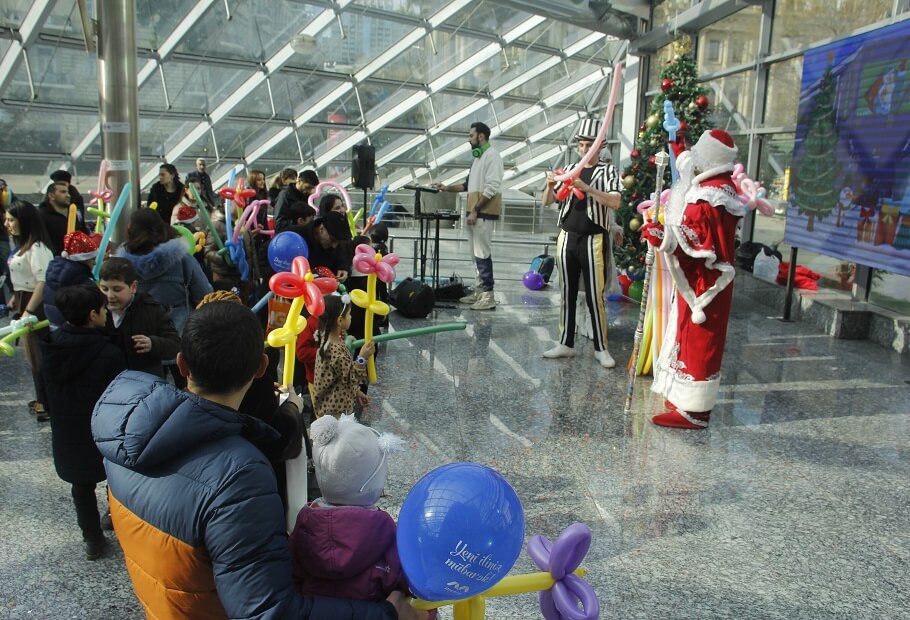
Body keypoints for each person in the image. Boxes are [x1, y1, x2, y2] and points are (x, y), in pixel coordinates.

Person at [92, 300, 422, 619]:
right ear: (262, 367)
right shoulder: (238, 477)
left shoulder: (124, 432)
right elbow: (268, 610)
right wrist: (387, 613)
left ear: (181, 364)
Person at [640, 129, 745, 429]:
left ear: (709, 157)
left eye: (699, 151)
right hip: (705, 280)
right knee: (688, 335)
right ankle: (684, 399)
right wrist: (679, 150)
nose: (694, 156)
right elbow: (690, 166)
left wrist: (664, 236)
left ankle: (695, 412)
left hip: (706, 282)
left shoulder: (710, 196)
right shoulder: (718, 182)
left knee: (699, 339)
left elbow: (699, 238)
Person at [40, 284, 125, 560]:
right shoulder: (108, 352)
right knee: (115, 479)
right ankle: (116, 521)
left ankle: (92, 539)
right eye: (103, 309)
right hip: (103, 427)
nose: (106, 313)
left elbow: (43, 387)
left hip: (67, 430)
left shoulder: (51, 346)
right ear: (92, 314)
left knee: (81, 486)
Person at [289, 414, 409, 601]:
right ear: (374, 482)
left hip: (313, 610)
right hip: (371, 611)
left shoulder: (304, 522)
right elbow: (400, 581)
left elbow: (292, 573)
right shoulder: (385, 530)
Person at [541, 118, 622, 369]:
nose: (585, 149)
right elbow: (548, 201)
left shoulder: (608, 171)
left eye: (590, 145)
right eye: (582, 145)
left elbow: (615, 202)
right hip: (567, 236)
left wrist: (588, 188)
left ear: (600, 146)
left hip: (594, 238)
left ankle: (601, 348)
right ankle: (565, 343)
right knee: (566, 292)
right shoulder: (569, 168)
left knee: (595, 296)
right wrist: (549, 186)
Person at [433, 121, 503, 311]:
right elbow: (466, 185)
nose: (468, 139)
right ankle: (480, 290)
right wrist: (446, 188)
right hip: (475, 213)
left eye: (471, 135)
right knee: (475, 254)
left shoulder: (492, 156)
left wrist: (475, 210)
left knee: (482, 253)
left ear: (481, 136)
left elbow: (492, 186)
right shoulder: (478, 158)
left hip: (483, 213)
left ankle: (488, 294)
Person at [4, 201, 55, 421]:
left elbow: (42, 281)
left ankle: (46, 401)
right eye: (6, 220)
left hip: (36, 305)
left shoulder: (37, 248)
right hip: (25, 301)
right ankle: (42, 398)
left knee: (39, 355)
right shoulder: (22, 246)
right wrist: (15, 301)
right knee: (32, 357)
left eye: (11, 220)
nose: (7, 224)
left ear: (24, 221)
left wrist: (29, 310)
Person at [99, 257, 180, 379]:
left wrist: (153, 343)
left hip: (146, 378)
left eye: (117, 289)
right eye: (104, 289)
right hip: (109, 380)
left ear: (133, 287)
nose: (110, 296)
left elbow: (174, 344)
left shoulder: (151, 310)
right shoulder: (96, 310)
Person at [313, 294, 375, 418]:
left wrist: (356, 392)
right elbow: (352, 376)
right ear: (340, 320)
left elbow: (340, 377)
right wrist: (362, 357)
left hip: (332, 409)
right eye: (349, 314)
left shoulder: (329, 342)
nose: (351, 317)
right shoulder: (335, 350)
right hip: (335, 414)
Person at [43, 231, 100, 329]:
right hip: (78, 330)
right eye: (92, 259)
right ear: (83, 259)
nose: (94, 263)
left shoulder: (52, 274)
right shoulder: (83, 282)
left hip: (54, 325)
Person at [288, 211, 353, 282]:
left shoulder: (335, 244)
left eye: (338, 242)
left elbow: (342, 260)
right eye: (332, 240)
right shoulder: (295, 236)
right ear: (321, 229)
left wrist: (343, 269)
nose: (334, 246)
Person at [40, 181, 89, 255]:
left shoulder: (72, 213)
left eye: (68, 192)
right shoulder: (42, 216)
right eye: (63, 192)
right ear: (51, 196)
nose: (68, 195)